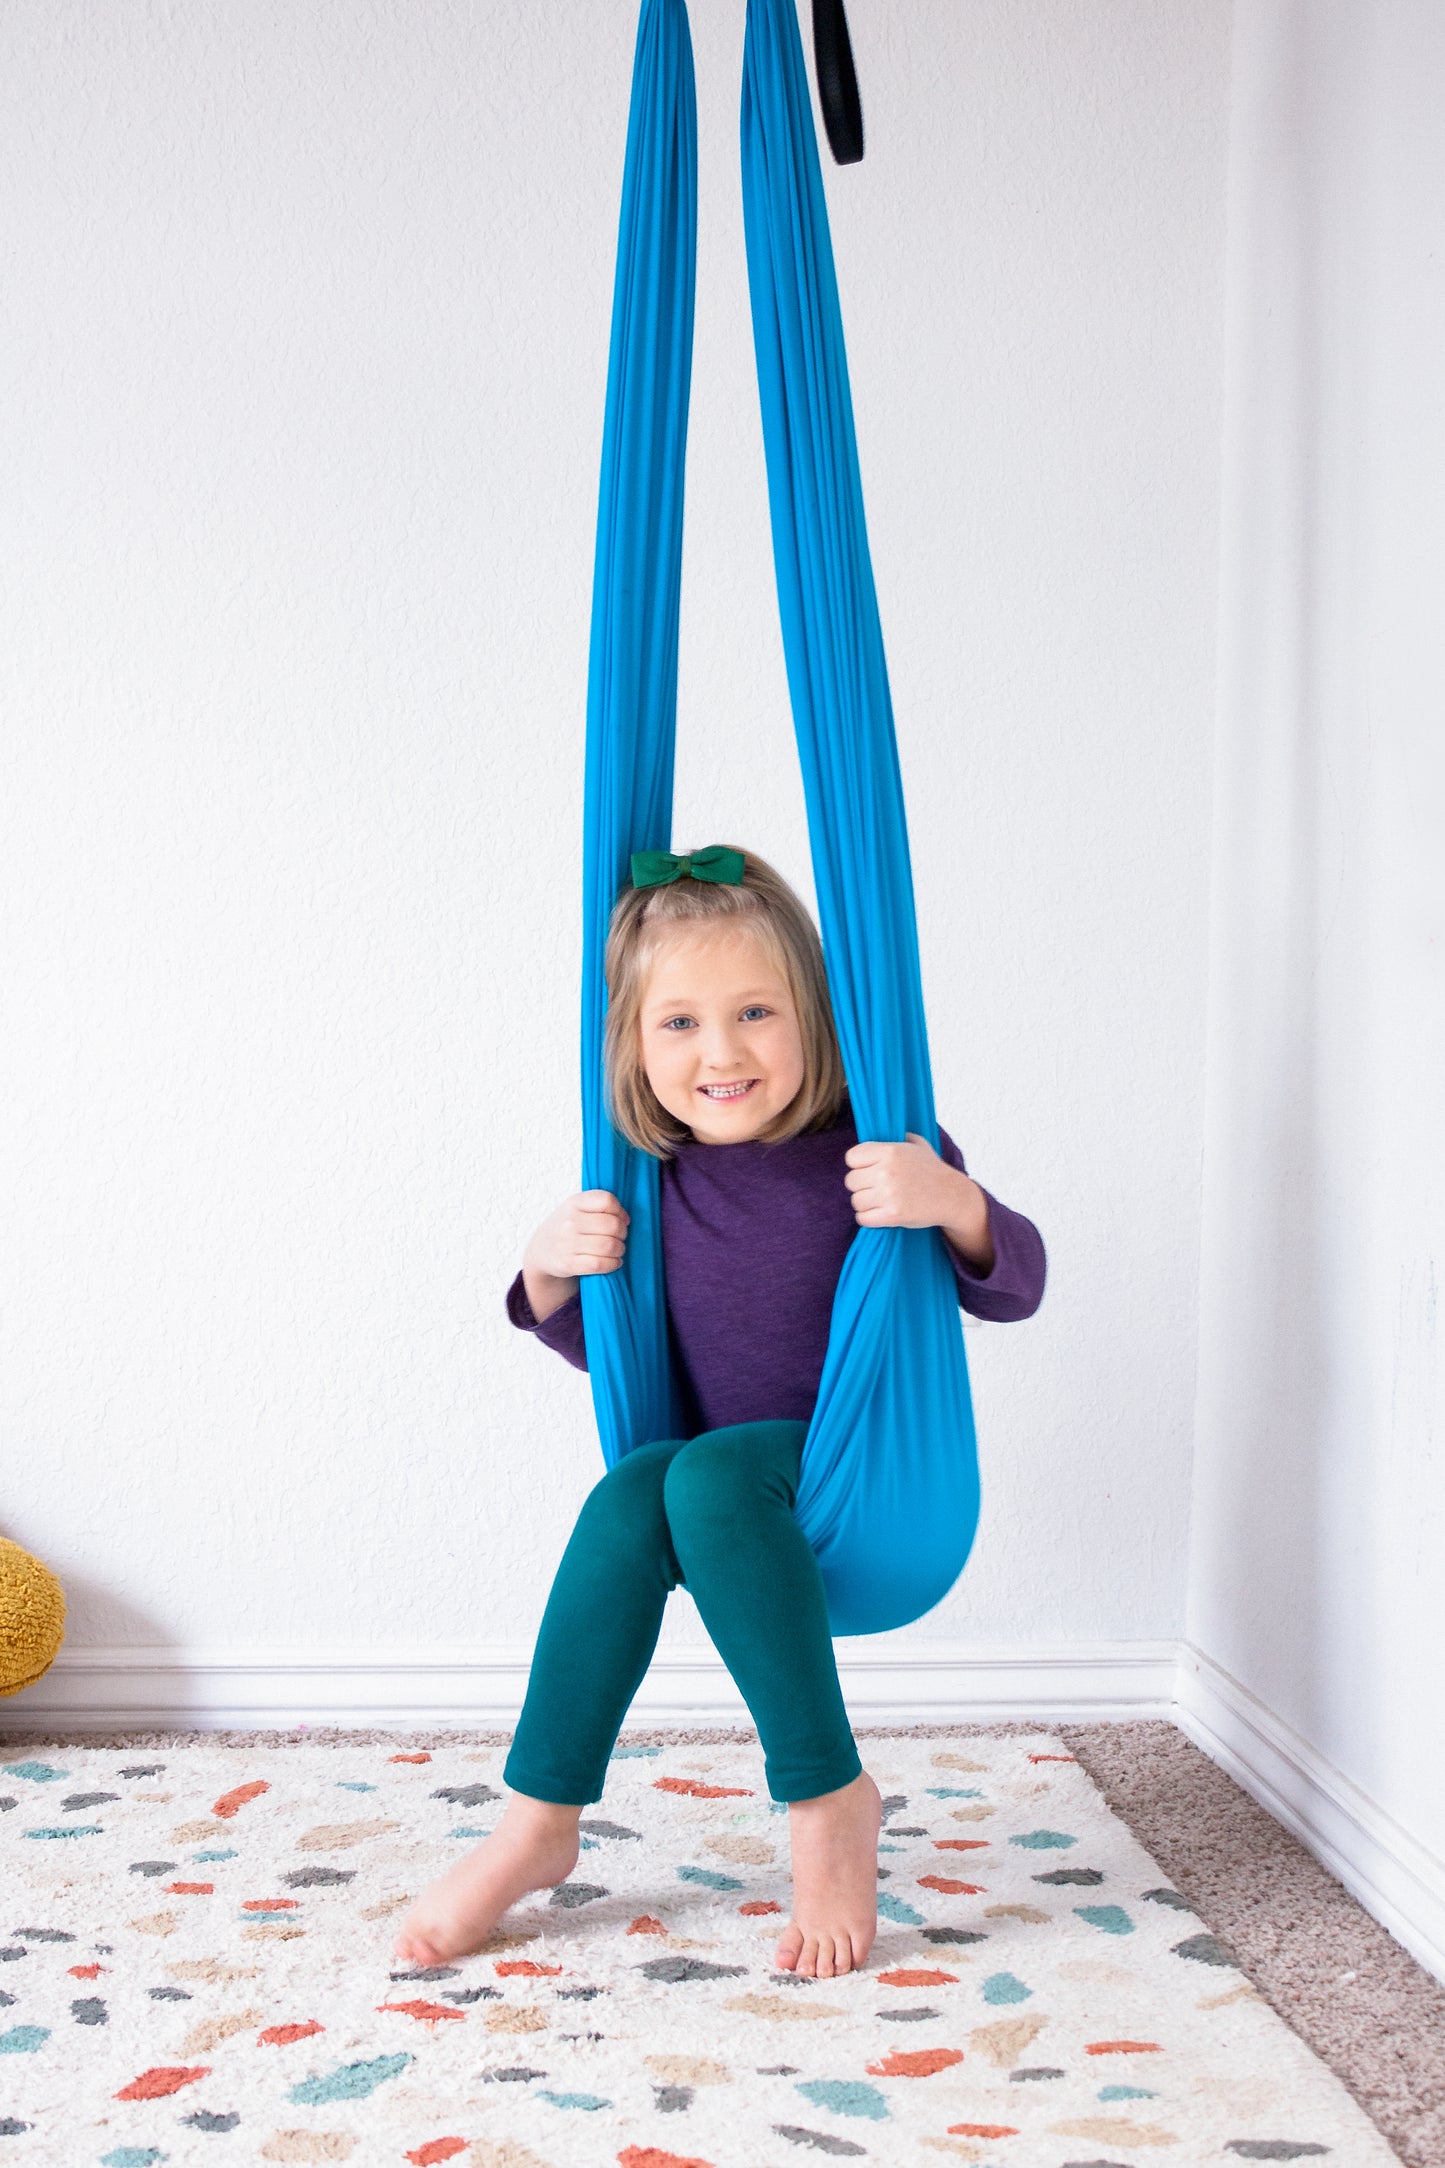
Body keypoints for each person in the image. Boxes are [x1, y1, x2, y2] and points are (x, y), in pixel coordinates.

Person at [395, 848, 1046, 1978]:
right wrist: (547, 1274)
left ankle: (826, 1794)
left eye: (754, 1011)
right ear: (635, 1049)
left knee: (699, 1471)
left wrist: (952, 1202)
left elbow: (1016, 1280)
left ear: (814, 1017)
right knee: (634, 1483)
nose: (721, 1051)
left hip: (861, 1495)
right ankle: (536, 1817)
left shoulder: (883, 1150)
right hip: (725, 1519)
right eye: (680, 1023)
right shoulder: (653, 1182)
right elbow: (618, 1358)